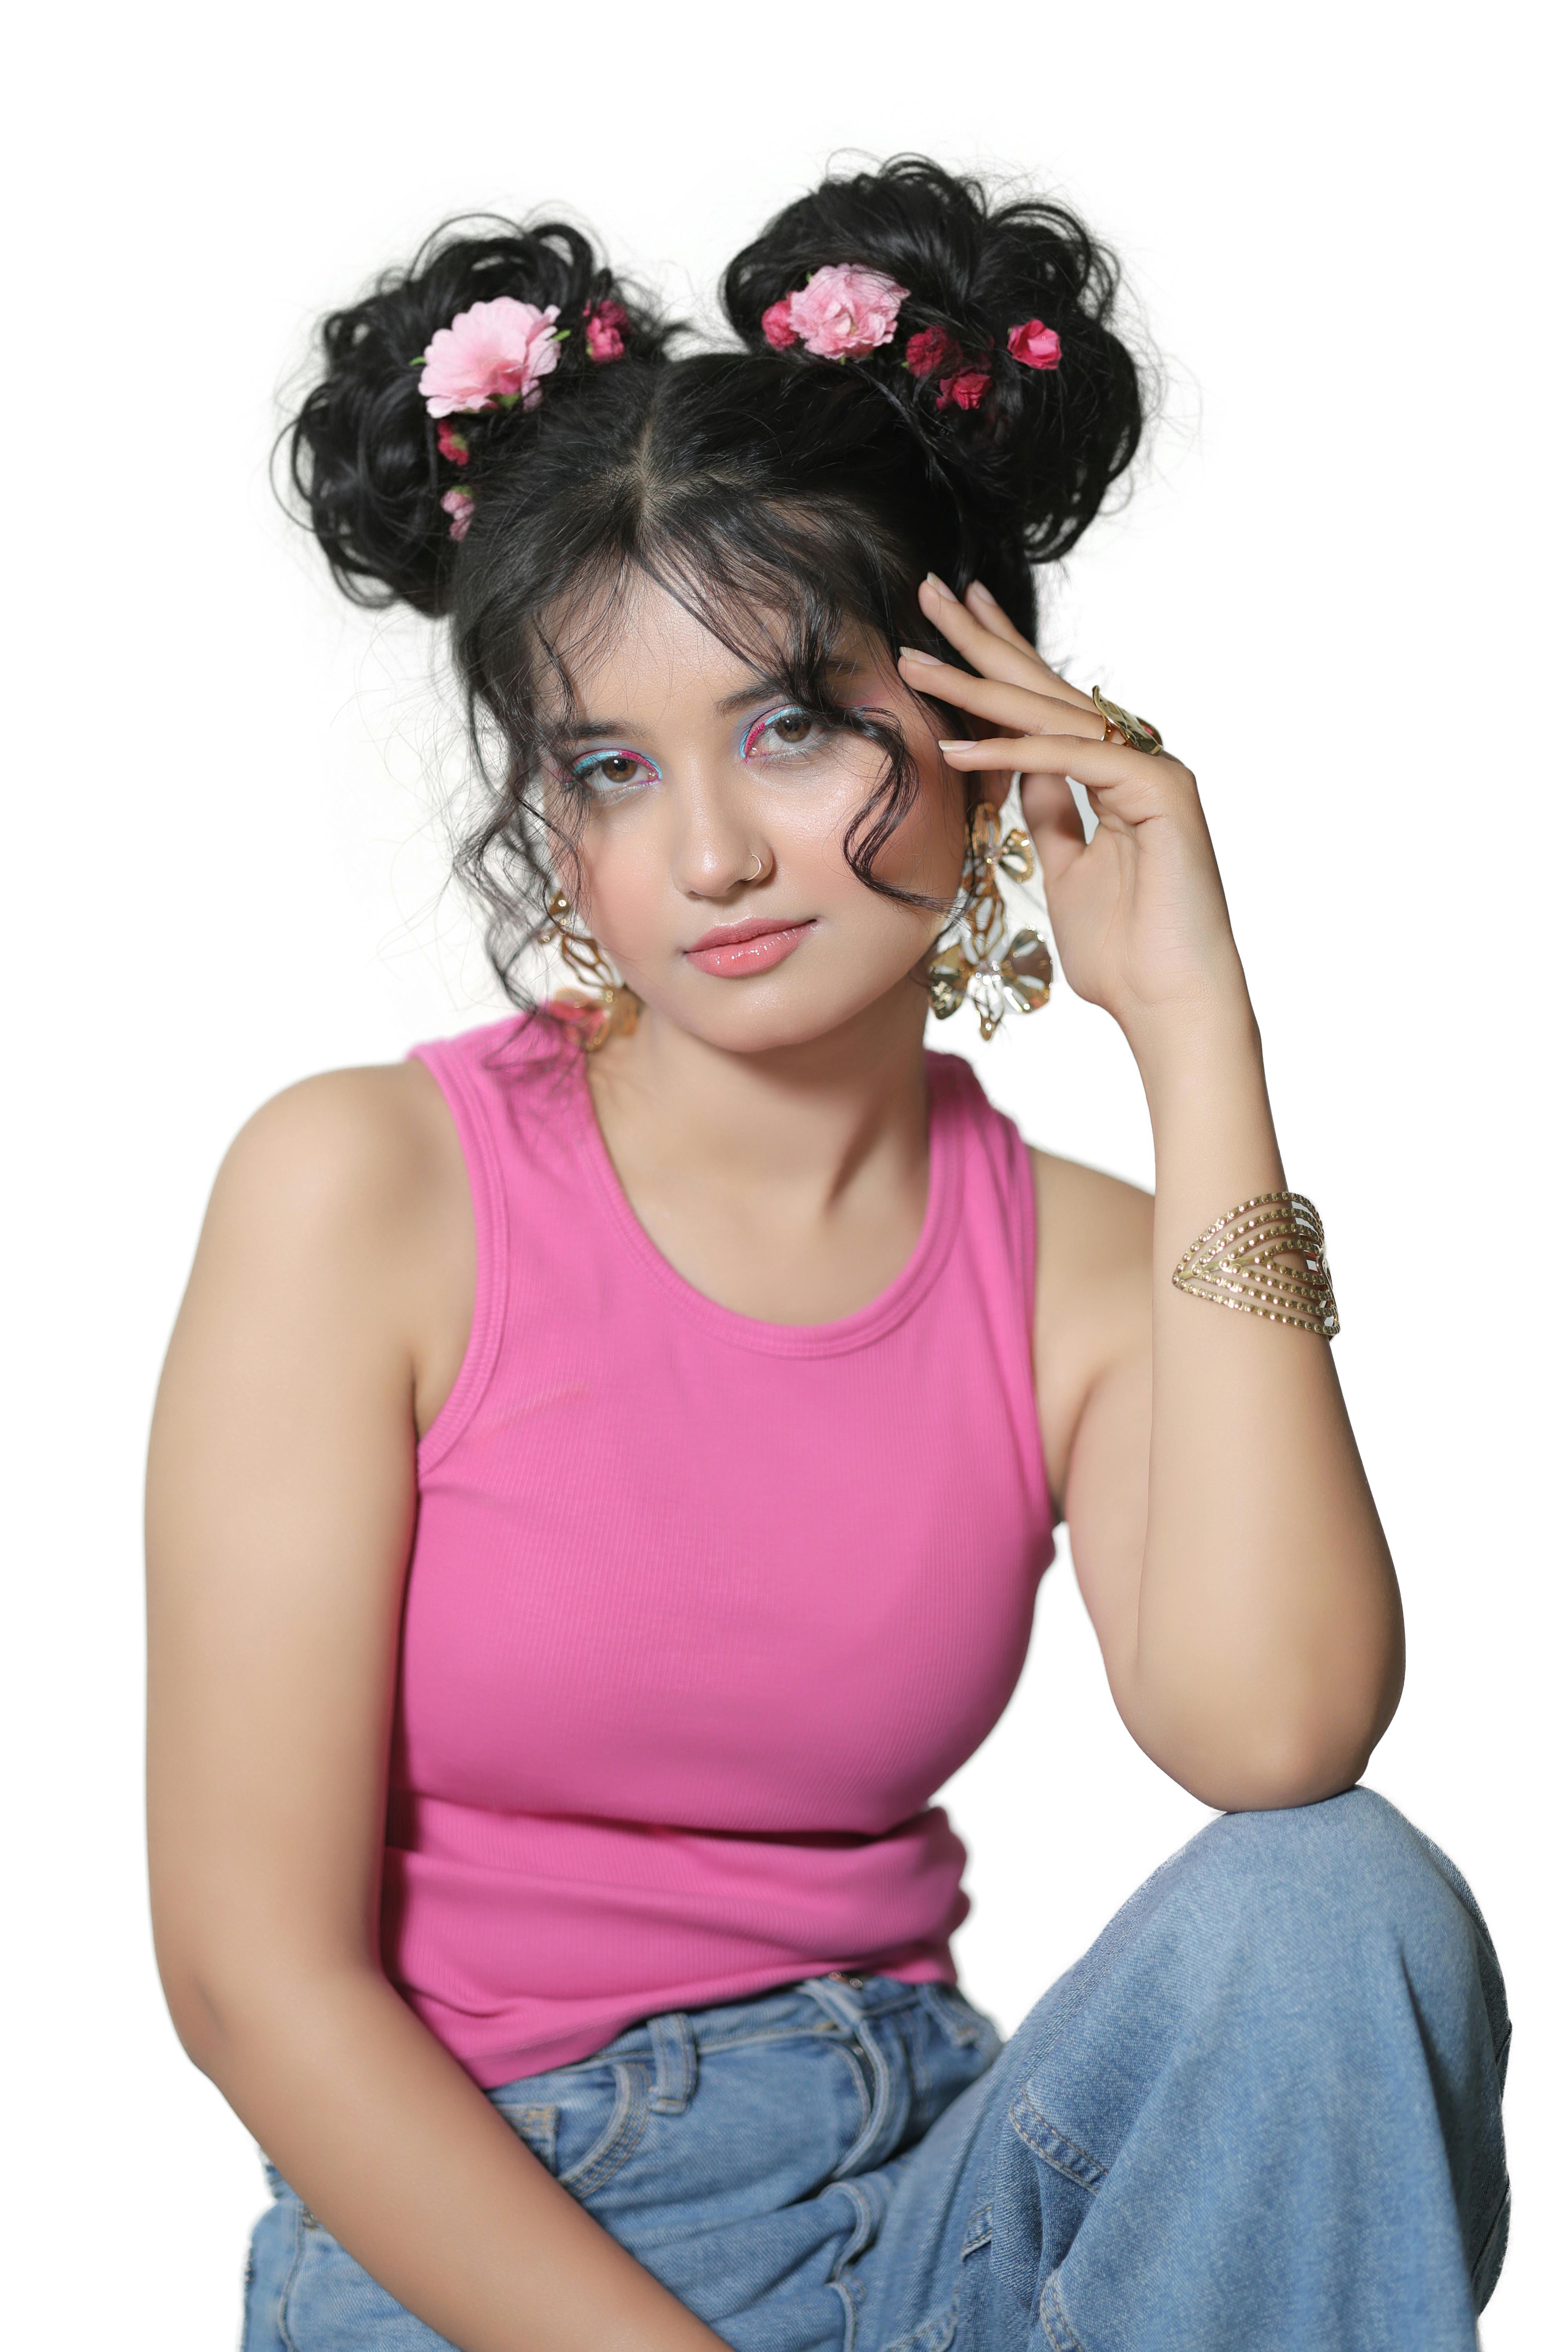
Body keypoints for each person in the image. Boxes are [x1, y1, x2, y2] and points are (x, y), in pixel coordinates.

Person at [145, 157, 1510, 2352]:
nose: (707, 850)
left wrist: (1193, 1034)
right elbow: (250, 1975)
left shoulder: (1075, 1270)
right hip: (494, 2247)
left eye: (790, 724)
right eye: (609, 764)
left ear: (972, 715)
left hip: (933, 2193)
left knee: (1339, 1907)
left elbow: (1283, 1738)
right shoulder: (366, 1195)